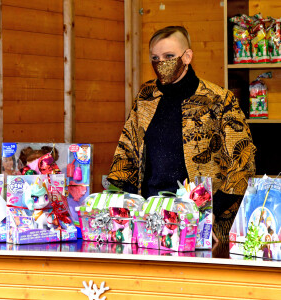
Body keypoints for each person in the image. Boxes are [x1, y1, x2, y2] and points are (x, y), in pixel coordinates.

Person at [107, 26, 256, 241]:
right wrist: (120, 203)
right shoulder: (145, 96)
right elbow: (127, 150)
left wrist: (213, 211)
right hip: (150, 217)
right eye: (155, 58)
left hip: (204, 221)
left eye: (169, 56)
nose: (161, 63)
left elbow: (243, 161)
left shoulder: (219, 99)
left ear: (187, 56)